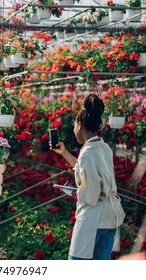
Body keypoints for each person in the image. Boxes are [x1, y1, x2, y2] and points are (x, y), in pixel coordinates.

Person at [50, 94, 125, 260]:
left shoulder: (87, 154)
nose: (74, 129)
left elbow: (91, 194)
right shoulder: (103, 147)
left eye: (74, 126)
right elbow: (88, 170)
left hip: (93, 219)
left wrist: (75, 192)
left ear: (79, 125)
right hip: (110, 217)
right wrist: (64, 153)